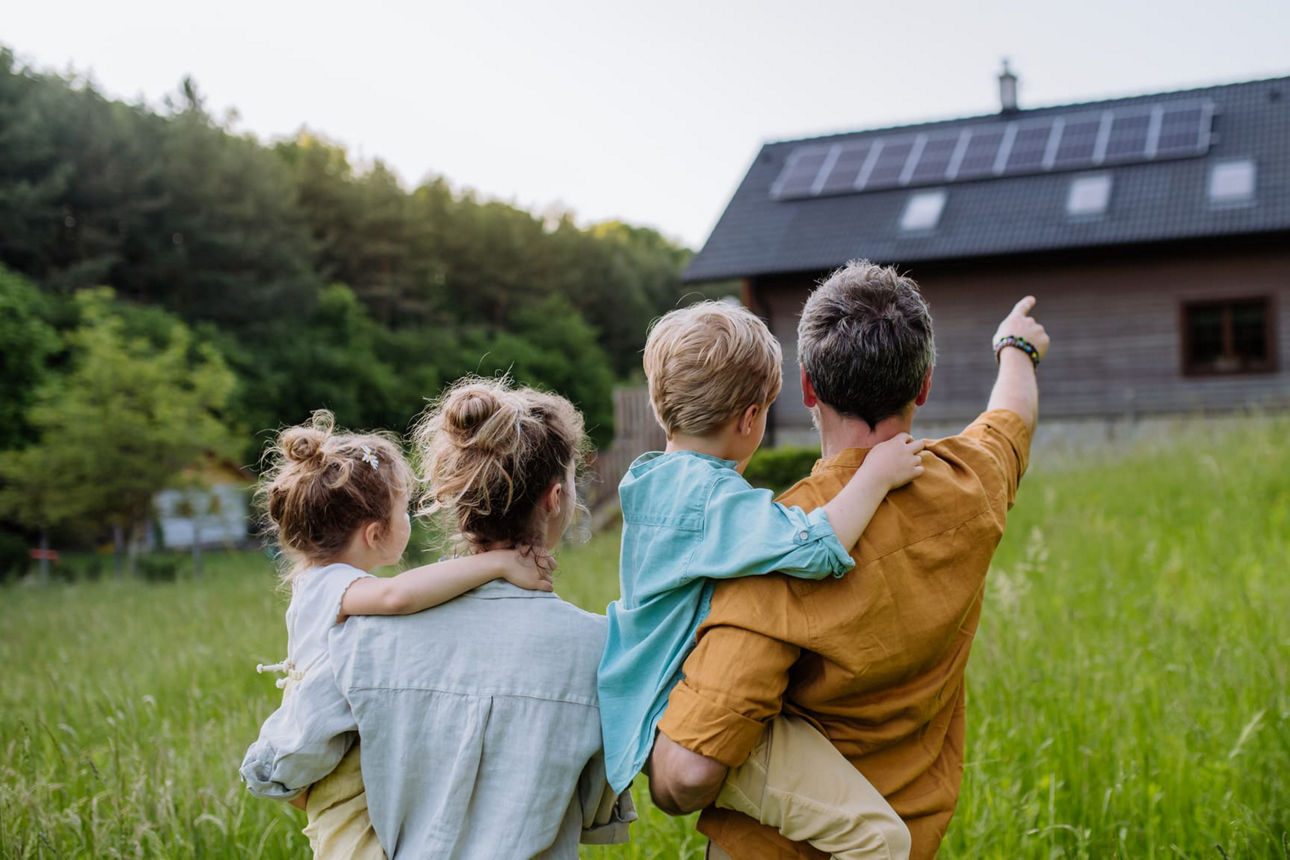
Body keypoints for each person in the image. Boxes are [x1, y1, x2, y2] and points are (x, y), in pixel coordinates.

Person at [647, 260, 1050, 860]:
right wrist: (1016, 345)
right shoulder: (973, 481)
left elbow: (686, 776)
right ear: (924, 385)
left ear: (807, 386)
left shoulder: (772, 546)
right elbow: (1011, 419)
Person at [242, 379, 634, 858]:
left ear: (454, 497)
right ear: (555, 498)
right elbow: (599, 805)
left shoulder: (359, 639)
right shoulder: (602, 648)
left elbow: (289, 766)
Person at [599, 300, 925, 858]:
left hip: (646, 715)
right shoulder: (712, 501)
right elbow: (816, 547)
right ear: (750, 419)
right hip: (681, 721)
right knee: (881, 840)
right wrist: (874, 475)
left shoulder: (648, 481)